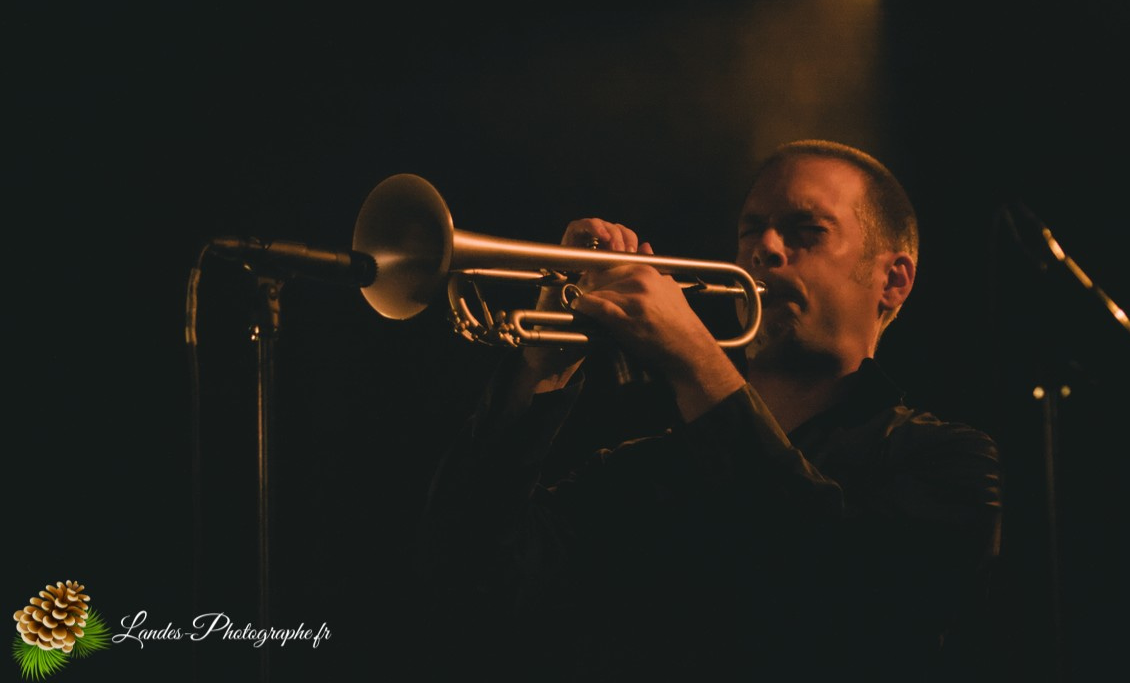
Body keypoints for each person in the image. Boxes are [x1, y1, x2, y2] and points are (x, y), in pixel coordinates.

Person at [414, 139, 1003, 681]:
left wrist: (695, 359)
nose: (764, 249)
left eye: (805, 230)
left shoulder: (949, 461)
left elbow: (832, 589)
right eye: (752, 231)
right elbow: (468, 578)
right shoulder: (653, 467)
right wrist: (540, 367)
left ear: (893, 280)